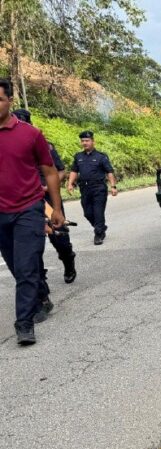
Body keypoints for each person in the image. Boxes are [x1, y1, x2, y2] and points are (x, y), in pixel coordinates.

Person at [0, 78, 65, 345]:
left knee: (26, 266)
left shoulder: (30, 134)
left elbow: (50, 171)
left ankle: (24, 324)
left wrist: (56, 208)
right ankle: (41, 296)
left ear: (9, 101)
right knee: (16, 265)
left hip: (28, 208)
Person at [12, 109, 77, 284]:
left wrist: (48, 187)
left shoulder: (44, 145)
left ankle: (68, 259)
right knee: (30, 243)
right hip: (25, 200)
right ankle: (40, 283)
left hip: (48, 198)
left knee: (59, 237)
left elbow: (60, 171)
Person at [67, 131, 118, 245]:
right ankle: (101, 227)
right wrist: (70, 184)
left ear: (93, 141)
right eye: (83, 141)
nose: (85, 143)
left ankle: (99, 234)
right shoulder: (78, 156)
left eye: (87, 141)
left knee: (98, 212)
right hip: (85, 189)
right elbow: (74, 171)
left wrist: (113, 186)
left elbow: (109, 172)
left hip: (99, 188)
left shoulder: (101, 157)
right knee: (88, 213)